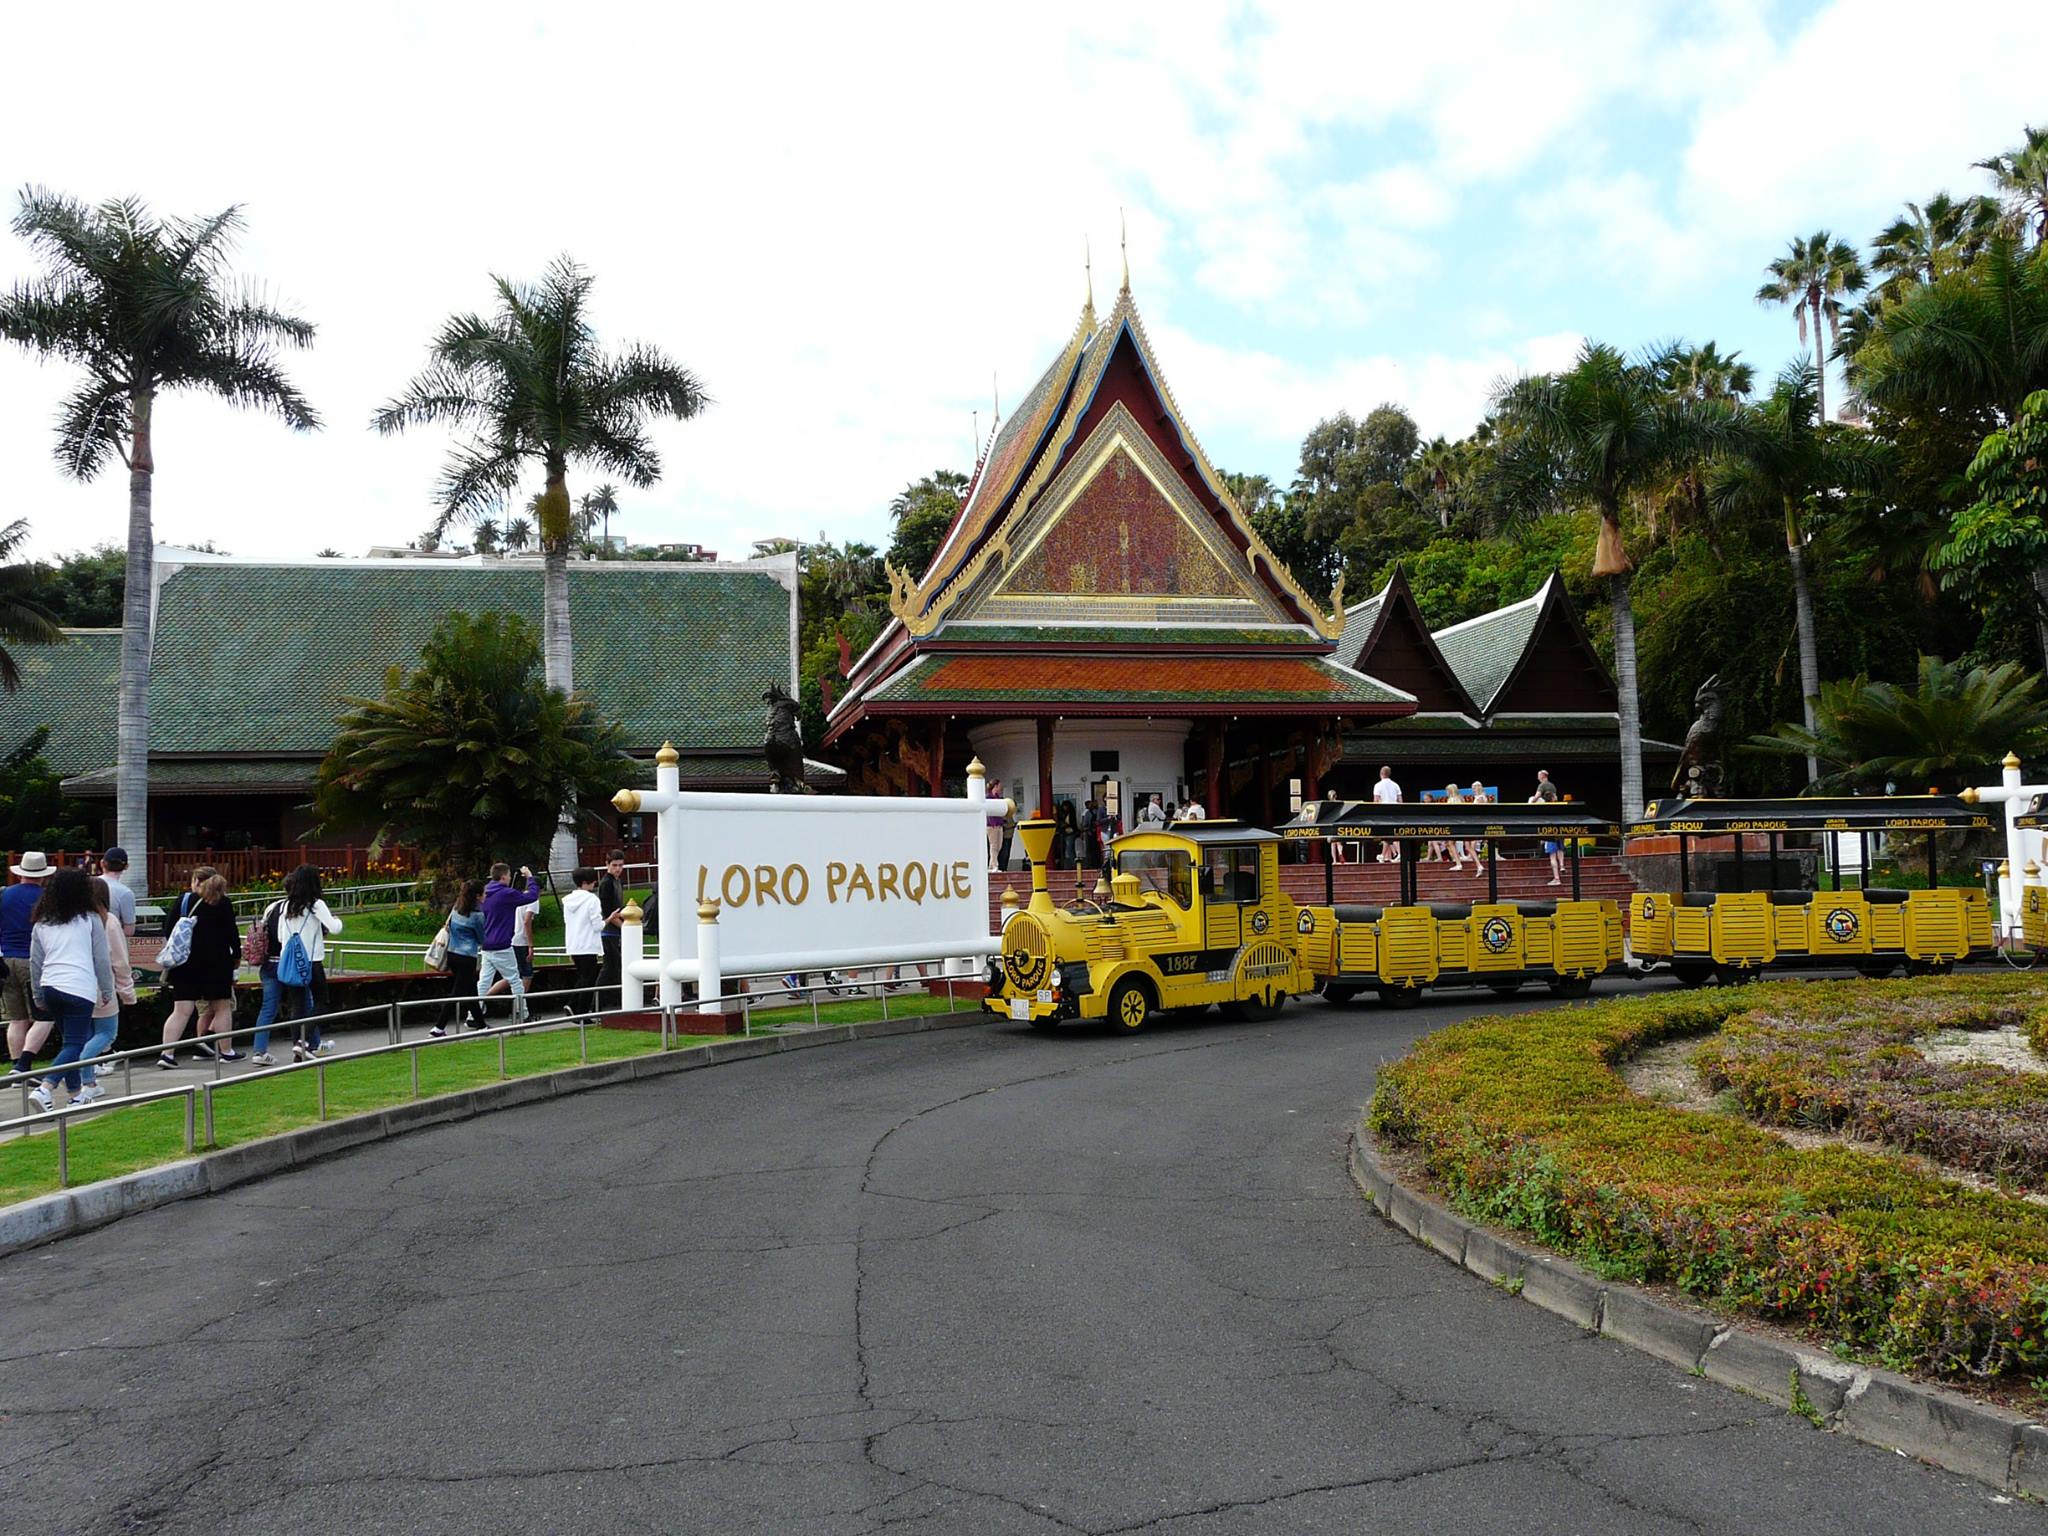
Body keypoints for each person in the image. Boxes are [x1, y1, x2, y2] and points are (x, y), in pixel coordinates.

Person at [24, 868, 115, 1113]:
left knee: (69, 1043)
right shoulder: (90, 919)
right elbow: (101, 959)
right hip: (79, 987)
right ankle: (45, 1087)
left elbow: (36, 961)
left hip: (50, 985)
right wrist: (107, 989)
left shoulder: (42, 922)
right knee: (75, 1044)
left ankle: (75, 1094)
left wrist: (37, 994)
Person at [250, 865, 344, 1063]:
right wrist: (338, 920)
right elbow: (334, 928)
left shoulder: (285, 906)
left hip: (290, 961)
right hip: (312, 960)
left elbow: (279, 935)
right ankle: (303, 1040)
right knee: (321, 1002)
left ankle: (297, 1046)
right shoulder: (315, 904)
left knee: (298, 1005)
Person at [158, 873, 241, 1067]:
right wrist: (236, 957)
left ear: (196, 881)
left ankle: (166, 1054)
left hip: (186, 963)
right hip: (217, 963)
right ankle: (226, 1051)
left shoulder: (184, 900)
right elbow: (232, 934)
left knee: (181, 1010)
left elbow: (169, 928)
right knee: (221, 1007)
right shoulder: (223, 903)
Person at [75, 876, 136, 1103]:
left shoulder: (75, 919)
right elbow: (119, 960)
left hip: (78, 984)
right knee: (107, 1033)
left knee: (89, 1032)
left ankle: (88, 1080)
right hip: (102, 985)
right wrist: (127, 990)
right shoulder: (108, 921)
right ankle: (82, 1066)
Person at [4, 852, 55, 1078]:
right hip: (33, 961)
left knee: (16, 1019)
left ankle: (18, 1066)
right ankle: (23, 1064)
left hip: (5, 960)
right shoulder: (48, 898)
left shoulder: (4, 895)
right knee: (44, 1016)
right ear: (43, 875)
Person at [478, 862, 541, 1022]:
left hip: (486, 944)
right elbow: (531, 896)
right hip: (502, 944)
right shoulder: (506, 893)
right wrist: (530, 877)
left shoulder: (484, 892)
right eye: (508, 876)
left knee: (484, 981)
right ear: (504, 876)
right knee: (515, 979)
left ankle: (474, 1014)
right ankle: (523, 1013)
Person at [432, 880, 487, 1037]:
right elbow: (481, 938)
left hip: (452, 954)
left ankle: (481, 1024)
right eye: (484, 893)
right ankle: (439, 1027)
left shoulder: (456, 910)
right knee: (457, 992)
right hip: (466, 956)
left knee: (471, 990)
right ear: (477, 896)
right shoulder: (477, 915)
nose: (485, 896)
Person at [562, 868, 605, 1017]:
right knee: (588, 979)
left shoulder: (568, 901)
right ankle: (580, 1010)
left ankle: (574, 1005)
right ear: (587, 882)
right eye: (593, 881)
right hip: (588, 945)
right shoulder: (592, 899)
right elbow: (598, 925)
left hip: (574, 944)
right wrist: (610, 918)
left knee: (583, 977)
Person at [597, 854, 627, 1006]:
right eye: (614, 865)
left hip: (614, 930)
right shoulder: (606, 883)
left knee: (614, 966)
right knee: (610, 967)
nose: (618, 869)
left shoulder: (617, 882)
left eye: (620, 865)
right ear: (607, 864)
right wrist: (625, 928)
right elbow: (608, 911)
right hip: (608, 930)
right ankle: (597, 1002)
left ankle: (606, 1000)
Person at [1531, 770, 1566, 885]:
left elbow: (1536, 796)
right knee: (1560, 849)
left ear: (1542, 776)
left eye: (1538, 776)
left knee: (1552, 855)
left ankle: (1556, 878)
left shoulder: (1542, 786)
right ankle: (1562, 865)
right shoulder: (1553, 786)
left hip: (1549, 830)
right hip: (1559, 829)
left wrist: (1531, 803)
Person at [96, 847, 137, 937]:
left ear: (102, 863)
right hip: (110, 943)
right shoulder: (126, 893)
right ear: (126, 866)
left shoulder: (87, 884)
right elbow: (129, 930)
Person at [1372, 766, 1403, 864]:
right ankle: (1383, 854)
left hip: (1383, 812)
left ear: (1381, 774)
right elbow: (1400, 801)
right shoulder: (1396, 785)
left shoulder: (1378, 785)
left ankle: (1399, 853)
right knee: (1389, 834)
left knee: (1389, 834)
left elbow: (1376, 801)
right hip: (1395, 812)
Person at [1467, 781, 1491, 878]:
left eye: (1474, 787)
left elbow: (1480, 812)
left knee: (1470, 846)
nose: (1473, 789)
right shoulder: (1480, 797)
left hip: (1478, 825)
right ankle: (1478, 865)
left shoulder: (1480, 798)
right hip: (1476, 824)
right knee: (1469, 846)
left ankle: (1479, 865)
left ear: (1478, 787)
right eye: (1472, 787)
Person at [1443, 783, 1468, 870]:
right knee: (1452, 843)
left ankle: (1458, 863)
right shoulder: (1461, 799)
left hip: (1454, 824)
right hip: (1462, 823)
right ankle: (1459, 861)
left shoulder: (1451, 800)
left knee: (1450, 843)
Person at [986, 779, 1007, 872]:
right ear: (995, 786)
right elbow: (988, 812)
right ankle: (994, 865)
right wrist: (993, 823)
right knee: (993, 845)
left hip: (999, 824)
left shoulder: (998, 798)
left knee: (999, 845)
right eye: (999, 786)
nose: (1000, 788)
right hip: (992, 825)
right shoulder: (988, 798)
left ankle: (992, 864)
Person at [1054, 800, 1078, 869]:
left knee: (1069, 849)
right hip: (1064, 833)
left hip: (1070, 833)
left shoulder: (1071, 814)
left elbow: (1073, 824)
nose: (1065, 808)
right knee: (1065, 850)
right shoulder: (1062, 814)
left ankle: (1074, 864)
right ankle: (1068, 864)